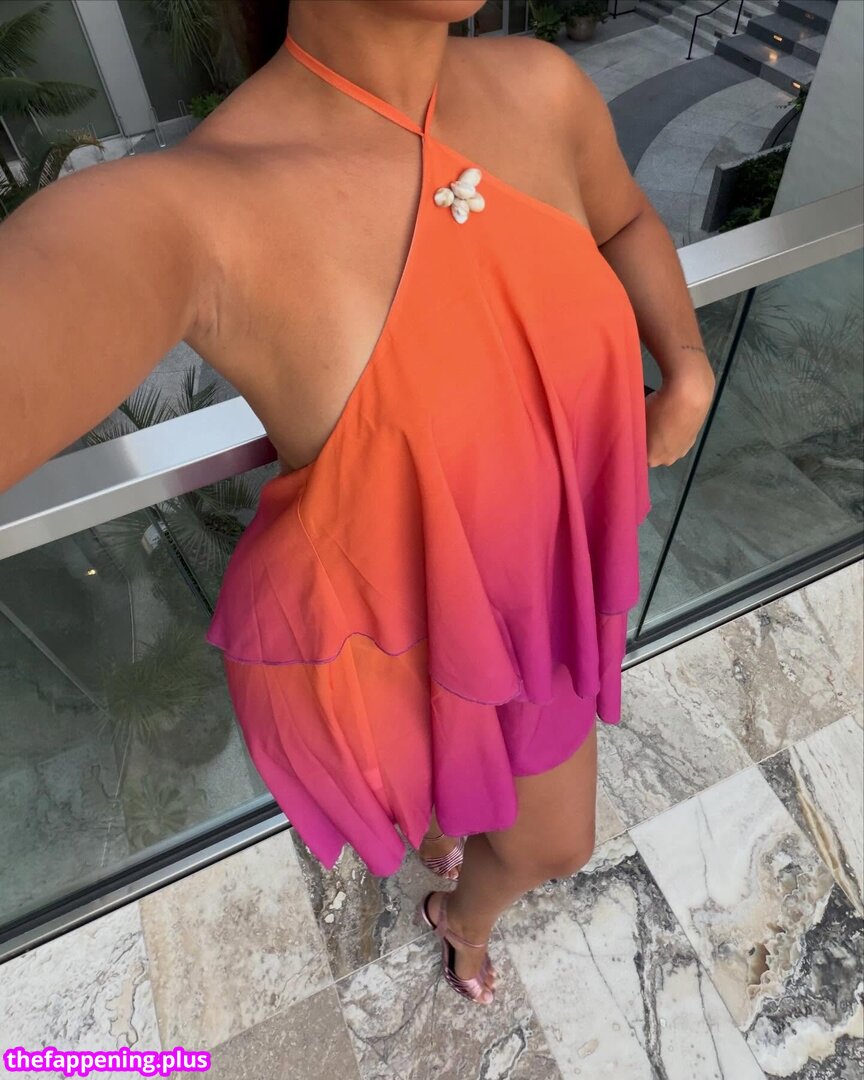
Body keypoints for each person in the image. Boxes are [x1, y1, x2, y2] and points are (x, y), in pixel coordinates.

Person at [0, 0, 715, 1005]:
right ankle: (451, 864)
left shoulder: (542, 87)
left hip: (541, 600)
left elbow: (627, 219)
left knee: (553, 844)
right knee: (452, 803)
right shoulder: (194, 208)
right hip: (386, 639)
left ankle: (461, 915)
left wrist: (687, 368)